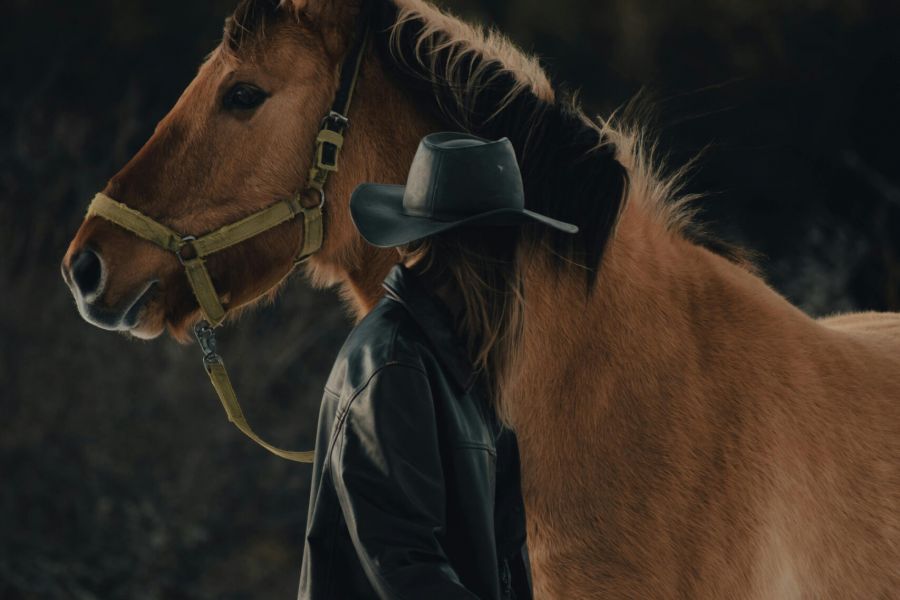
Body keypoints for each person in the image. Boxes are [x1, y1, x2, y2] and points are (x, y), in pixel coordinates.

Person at [298, 132, 578, 599]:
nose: (526, 269)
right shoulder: (391, 366)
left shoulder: (468, 368)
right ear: (480, 255)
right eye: (514, 246)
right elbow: (407, 568)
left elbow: (505, 561)